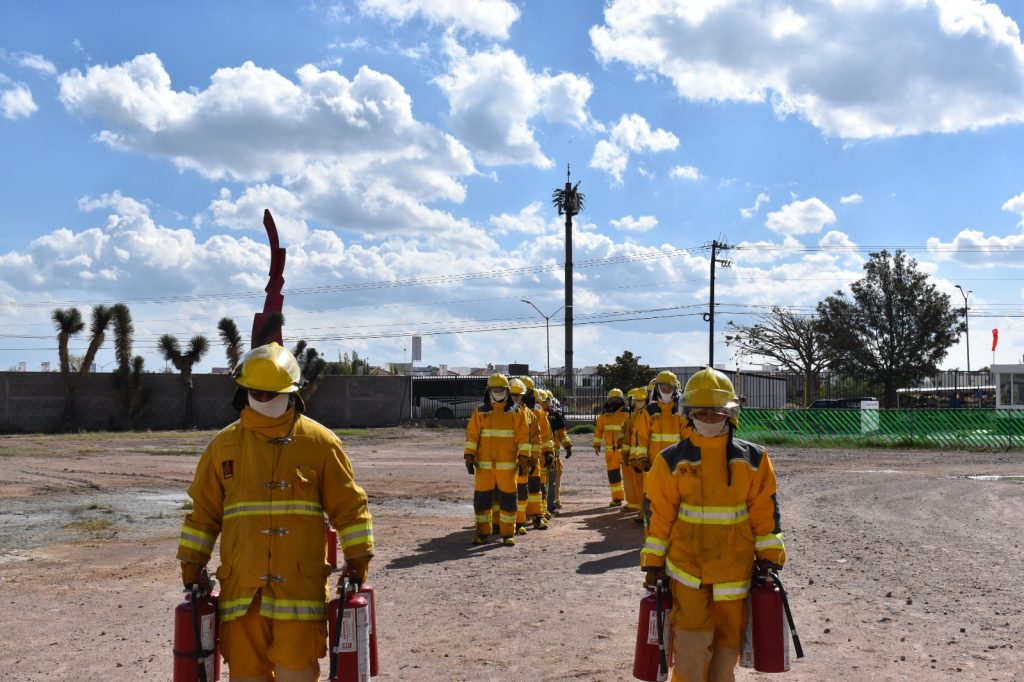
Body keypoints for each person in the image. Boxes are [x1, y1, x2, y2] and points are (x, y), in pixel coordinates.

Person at [177, 342, 374, 682]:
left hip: (299, 595)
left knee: (296, 675)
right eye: (257, 392)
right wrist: (191, 567)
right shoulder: (223, 447)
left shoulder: (321, 444)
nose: (264, 400)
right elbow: (202, 515)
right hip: (242, 597)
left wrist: (358, 562)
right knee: (247, 676)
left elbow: (351, 508)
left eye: (271, 393)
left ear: (292, 393)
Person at [640, 368, 786, 682]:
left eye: (716, 411)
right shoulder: (670, 461)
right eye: (701, 412)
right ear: (689, 413)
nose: (709, 418)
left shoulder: (754, 460)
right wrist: (653, 565)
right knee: (691, 653)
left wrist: (770, 561)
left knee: (725, 654)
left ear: (730, 414)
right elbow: (659, 519)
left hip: (734, 577)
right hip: (686, 573)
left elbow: (765, 517)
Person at [464, 373, 531, 545]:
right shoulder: (480, 411)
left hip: (507, 467)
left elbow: (523, 437)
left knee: (508, 500)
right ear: (489, 390)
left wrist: (524, 457)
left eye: (501, 389)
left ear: (507, 390)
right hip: (484, 467)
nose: (498, 392)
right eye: (495, 389)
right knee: (482, 502)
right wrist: (469, 456)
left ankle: (508, 534)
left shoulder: (516, 412)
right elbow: (472, 435)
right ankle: (481, 533)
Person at [593, 388, 628, 507]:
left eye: (616, 399)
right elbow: (599, 431)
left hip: (625, 451)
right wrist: (596, 445)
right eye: (612, 399)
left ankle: (633, 500)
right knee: (614, 476)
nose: (614, 402)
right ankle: (617, 498)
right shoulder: (604, 416)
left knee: (629, 475)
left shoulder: (627, 415)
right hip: (610, 452)